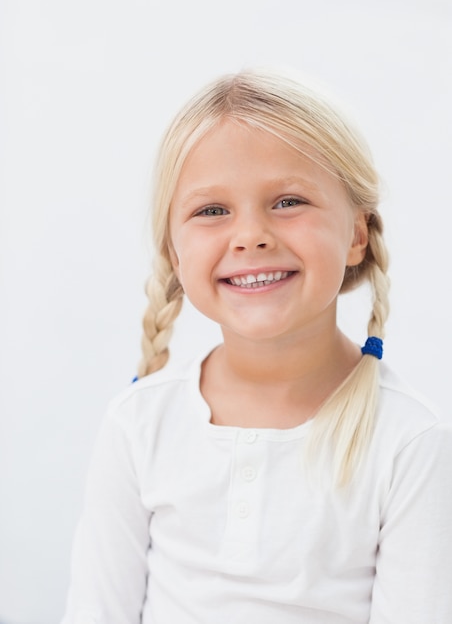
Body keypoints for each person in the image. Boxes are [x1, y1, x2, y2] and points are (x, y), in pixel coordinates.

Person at [61, 68, 452, 624]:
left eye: (289, 201)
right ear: (175, 252)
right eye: (212, 211)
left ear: (357, 236)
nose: (250, 235)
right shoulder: (138, 423)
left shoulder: (411, 441)